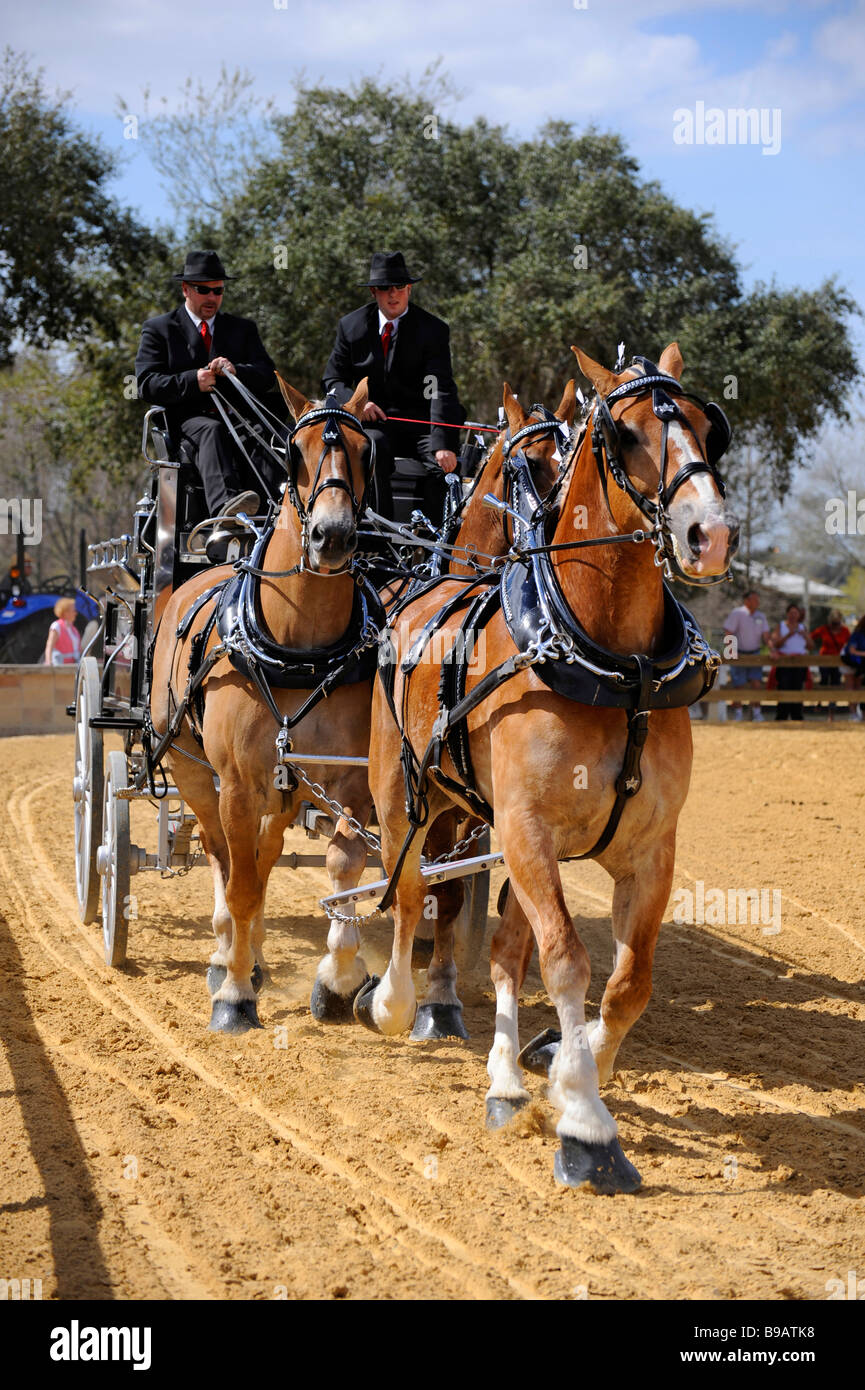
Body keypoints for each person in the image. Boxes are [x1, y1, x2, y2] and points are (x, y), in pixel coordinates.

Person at [322, 250, 464, 526]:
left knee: (443, 467)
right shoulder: (351, 327)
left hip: (421, 424)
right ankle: (381, 536)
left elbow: (439, 389)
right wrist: (356, 402)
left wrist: (443, 444)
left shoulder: (433, 330)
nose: (393, 295)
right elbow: (332, 381)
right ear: (374, 291)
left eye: (400, 287)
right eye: (386, 288)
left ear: (409, 289)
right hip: (375, 425)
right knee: (372, 447)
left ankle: (436, 541)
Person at [135, 250, 277, 519]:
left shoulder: (242, 329)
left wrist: (237, 371)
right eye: (204, 290)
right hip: (187, 421)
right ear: (185, 289)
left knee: (264, 434)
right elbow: (147, 383)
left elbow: (267, 375)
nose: (212, 297)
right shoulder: (159, 329)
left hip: (236, 418)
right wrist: (193, 380)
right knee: (211, 431)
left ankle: (272, 513)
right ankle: (227, 512)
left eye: (218, 290)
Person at [723, 589, 769, 721]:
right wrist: (731, 650)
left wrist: (772, 648)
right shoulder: (737, 613)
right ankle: (738, 713)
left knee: (756, 683)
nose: (757, 602)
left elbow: (766, 636)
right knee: (739, 684)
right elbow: (728, 631)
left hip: (755, 653)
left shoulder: (761, 616)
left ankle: (756, 713)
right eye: (754, 599)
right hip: (739, 654)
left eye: (757, 599)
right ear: (747, 601)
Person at [769, 602, 812, 722]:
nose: (793, 615)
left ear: (799, 615)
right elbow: (775, 643)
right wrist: (789, 635)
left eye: (796, 613)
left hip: (799, 663)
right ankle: (781, 716)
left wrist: (805, 636)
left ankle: (797, 716)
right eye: (791, 612)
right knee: (783, 687)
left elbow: (811, 646)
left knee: (797, 688)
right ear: (787, 614)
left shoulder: (802, 628)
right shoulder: (781, 626)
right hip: (784, 663)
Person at [810, 608, 850, 720]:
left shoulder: (845, 631)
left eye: (837, 622)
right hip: (824, 659)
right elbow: (811, 637)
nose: (835, 625)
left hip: (838, 661)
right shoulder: (824, 629)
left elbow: (850, 643)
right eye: (833, 622)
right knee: (824, 680)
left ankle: (831, 712)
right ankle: (819, 701)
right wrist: (812, 647)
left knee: (835, 684)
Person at [840, 614, 865, 721]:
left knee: (858, 687)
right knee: (851, 686)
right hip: (849, 662)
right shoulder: (857, 634)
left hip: (860, 664)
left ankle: (857, 711)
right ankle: (853, 712)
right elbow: (851, 651)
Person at [43, 597, 81, 666]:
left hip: (73, 667)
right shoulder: (56, 626)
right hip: (60, 667)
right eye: (73, 610)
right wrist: (48, 662)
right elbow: (49, 646)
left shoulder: (74, 629)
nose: (76, 613)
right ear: (66, 612)